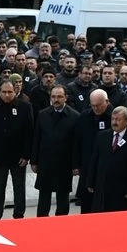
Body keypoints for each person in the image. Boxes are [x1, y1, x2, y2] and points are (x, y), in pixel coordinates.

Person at [0, 79, 33, 220]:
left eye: (10, 92)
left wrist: (26, 155)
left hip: (19, 157)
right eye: (4, 92)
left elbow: (29, 133)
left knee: (19, 188)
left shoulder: (25, 107)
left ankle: (19, 214)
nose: (7, 95)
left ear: (15, 92)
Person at [31, 85, 78, 217]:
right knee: (44, 198)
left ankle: (61, 226)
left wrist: (75, 165)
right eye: (53, 96)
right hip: (46, 163)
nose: (56, 99)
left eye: (59, 97)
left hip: (65, 164)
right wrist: (34, 161)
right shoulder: (42, 114)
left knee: (62, 198)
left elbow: (76, 144)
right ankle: (41, 224)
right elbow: (37, 139)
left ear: (66, 98)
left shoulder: (74, 116)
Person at [86, 105, 127, 212]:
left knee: (119, 222)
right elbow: (94, 160)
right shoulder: (102, 136)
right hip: (102, 187)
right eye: (113, 119)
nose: (114, 122)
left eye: (118, 119)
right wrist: (90, 181)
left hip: (121, 190)